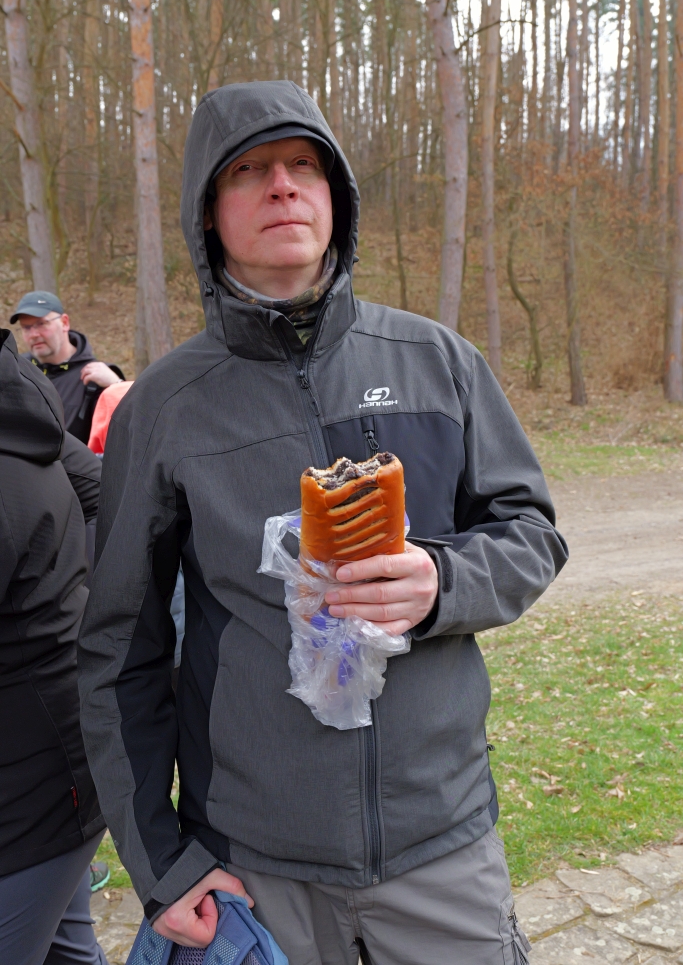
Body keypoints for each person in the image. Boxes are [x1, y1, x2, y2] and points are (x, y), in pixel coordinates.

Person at [78, 81, 568, 965]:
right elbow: (120, 650)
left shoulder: (436, 361)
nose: (281, 186)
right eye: (248, 170)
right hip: (255, 865)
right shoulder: (165, 408)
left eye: (303, 165)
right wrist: (161, 863)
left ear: (335, 194)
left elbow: (530, 531)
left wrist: (442, 582)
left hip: (440, 848)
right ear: (207, 212)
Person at [0, 328, 108, 964]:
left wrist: (71, 590)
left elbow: (103, 493)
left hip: (32, 789)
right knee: (68, 947)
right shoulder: (20, 415)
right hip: (56, 757)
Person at [10, 291, 124, 444]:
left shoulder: (96, 378)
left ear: (64, 323)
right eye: (26, 327)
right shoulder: (14, 370)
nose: (34, 334)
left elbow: (128, 432)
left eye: (41, 324)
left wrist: (117, 386)